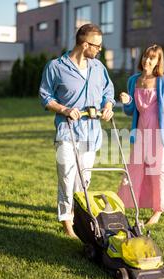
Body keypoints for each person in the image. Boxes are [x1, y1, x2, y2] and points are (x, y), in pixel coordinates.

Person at [39, 24, 115, 238]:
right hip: (67, 132)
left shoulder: (98, 68)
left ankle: (80, 218)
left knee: (83, 180)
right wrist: (64, 109)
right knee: (66, 178)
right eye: (97, 46)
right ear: (84, 44)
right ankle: (67, 224)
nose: (99, 49)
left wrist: (108, 106)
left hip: (92, 134)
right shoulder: (56, 67)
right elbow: (45, 97)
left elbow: (108, 92)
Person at [117, 44, 164, 226]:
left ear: (157, 62)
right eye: (146, 56)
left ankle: (158, 211)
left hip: (160, 133)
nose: (147, 60)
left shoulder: (163, 81)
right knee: (134, 168)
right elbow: (131, 110)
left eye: (152, 58)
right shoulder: (133, 81)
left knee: (159, 172)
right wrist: (127, 101)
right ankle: (123, 204)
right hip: (141, 131)